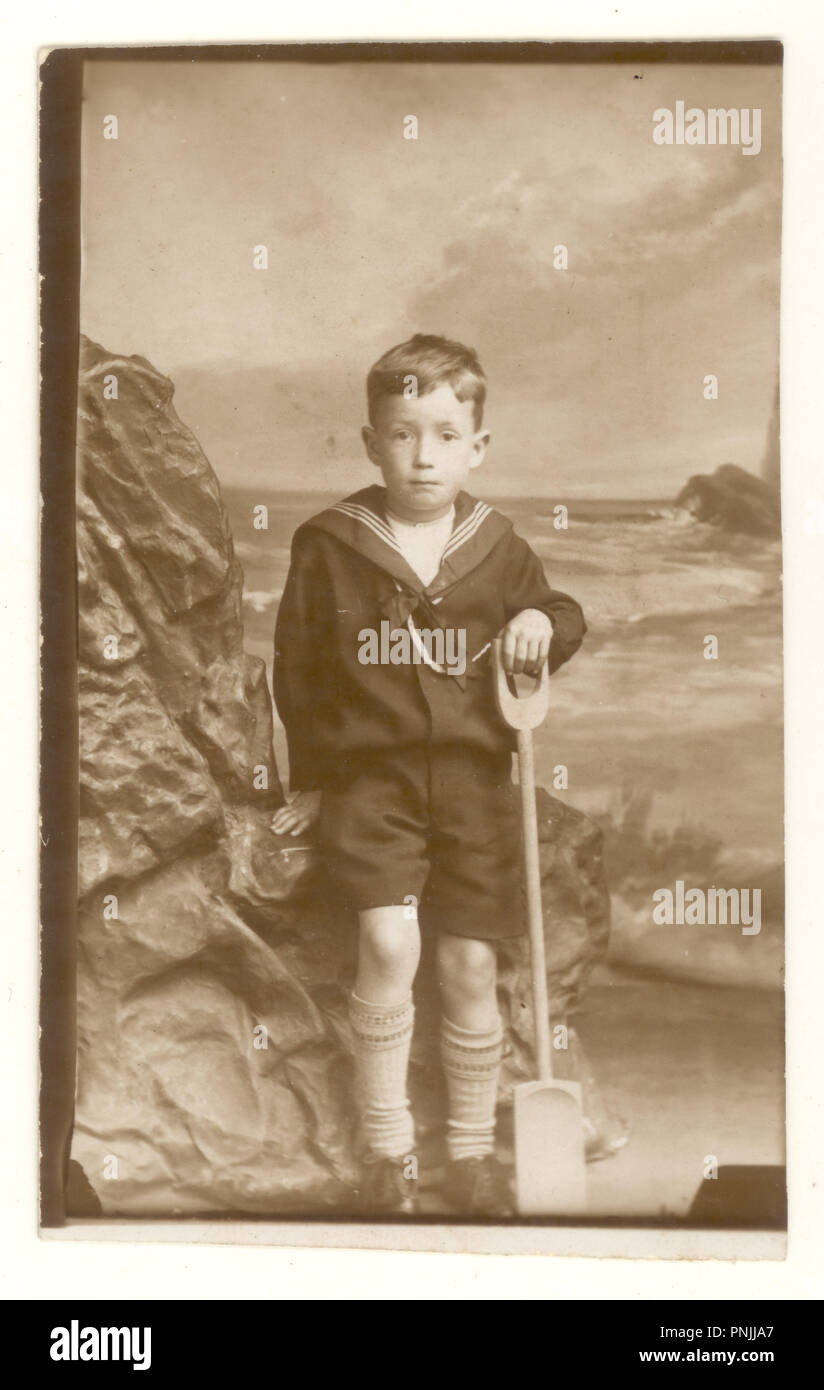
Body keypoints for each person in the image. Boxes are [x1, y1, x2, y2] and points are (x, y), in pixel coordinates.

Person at [272, 334, 586, 1216]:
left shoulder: (496, 543)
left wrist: (535, 619)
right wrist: (314, 779)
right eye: (403, 434)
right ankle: (387, 1151)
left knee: (469, 966)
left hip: (475, 784)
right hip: (374, 784)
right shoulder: (333, 543)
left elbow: (564, 612)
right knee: (387, 944)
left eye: (446, 435)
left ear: (477, 446)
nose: (424, 456)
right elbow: (299, 667)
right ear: (371, 442)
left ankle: (473, 1156)